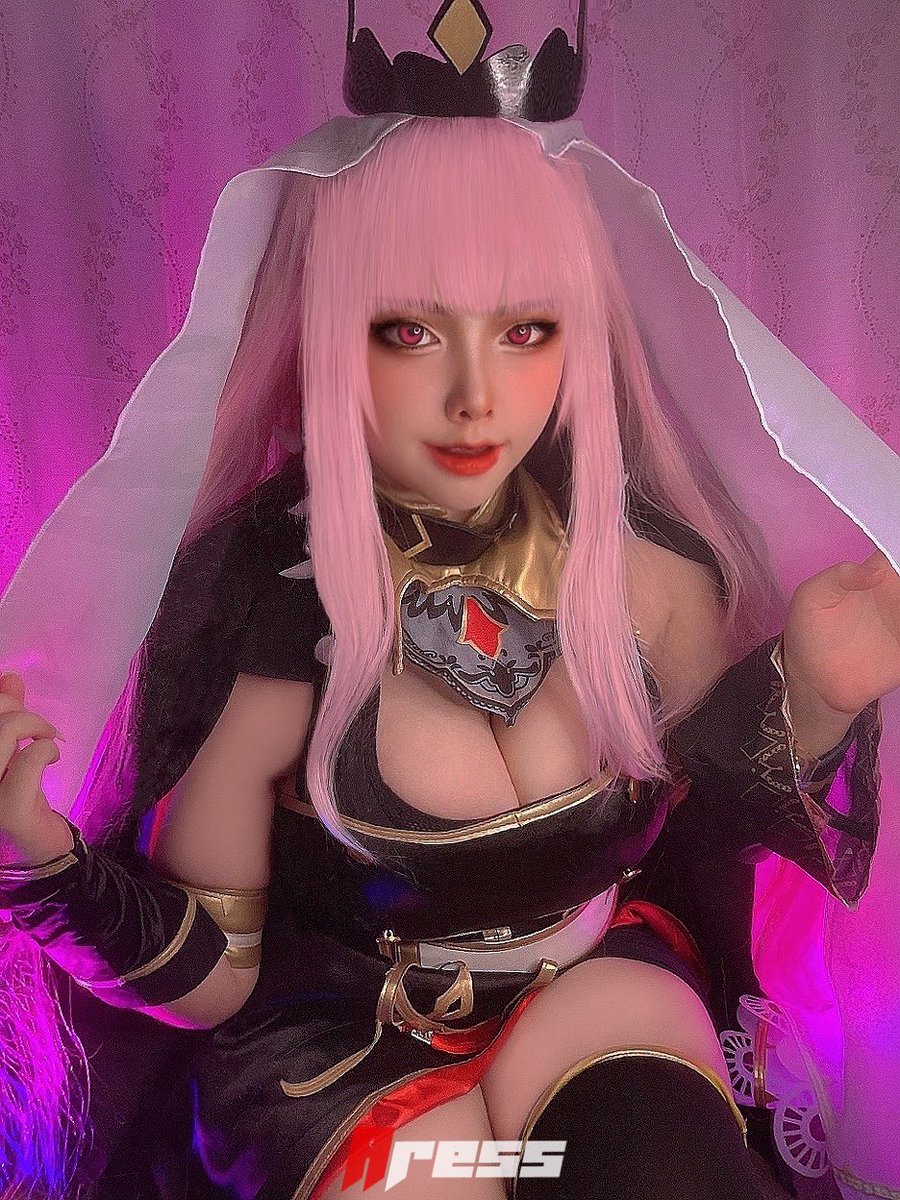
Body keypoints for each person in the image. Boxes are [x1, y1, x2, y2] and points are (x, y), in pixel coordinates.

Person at [0, 18, 897, 1200]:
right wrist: (37, 864)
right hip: (340, 1053)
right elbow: (216, 967)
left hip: (593, 990)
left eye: (526, 331)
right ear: (329, 331)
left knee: (659, 1166)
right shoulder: (264, 608)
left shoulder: (646, 566)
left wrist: (816, 690)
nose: (477, 396)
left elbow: (705, 823)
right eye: (411, 331)